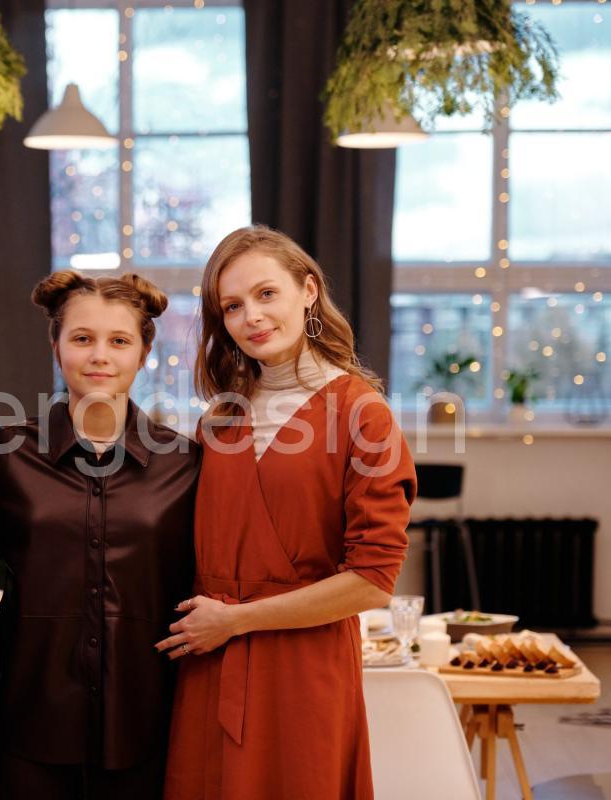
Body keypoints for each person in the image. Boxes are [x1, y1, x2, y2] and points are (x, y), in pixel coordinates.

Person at [156, 225, 417, 800]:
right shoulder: (220, 420)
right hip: (210, 662)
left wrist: (237, 620)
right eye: (232, 306)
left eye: (266, 293)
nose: (251, 316)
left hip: (303, 666)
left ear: (308, 291)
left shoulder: (362, 415)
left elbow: (373, 581)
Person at [0, 271, 198, 798]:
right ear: (56, 346)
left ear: (144, 353)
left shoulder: (186, 464)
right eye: (82, 338)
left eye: (119, 341)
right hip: (26, 721)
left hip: (146, 723)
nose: (100, 355)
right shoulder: (7, 454)